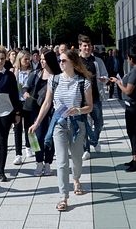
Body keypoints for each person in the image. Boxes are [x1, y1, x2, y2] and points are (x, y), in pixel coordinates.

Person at [29, 50, 94, 212]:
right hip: (59, 124)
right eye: (60, 60)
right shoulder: (54, 80)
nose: (60, 63)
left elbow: (90, 107)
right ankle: (64, 197)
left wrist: (77, 110)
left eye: (64, 60)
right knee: (62, 162)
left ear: (73, 62)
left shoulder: (83, 82)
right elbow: (46, 103)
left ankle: (77, 179)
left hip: (77, 125)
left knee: (77, 159)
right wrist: (37, 123)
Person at [109, 44, 136, 172]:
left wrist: (118, 83)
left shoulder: (135, 71)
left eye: (128, 57)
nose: (127, 59)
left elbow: (128, 91)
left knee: (133, 132)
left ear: (131, 58)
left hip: (133, 105)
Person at [0, 45, 22, 182]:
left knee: (3, 140)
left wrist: (17, 112)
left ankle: (1, 170)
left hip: (6, 113)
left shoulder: (9, 75)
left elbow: (15, 95)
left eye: (2, 59)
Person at [23, 50, 60, 176]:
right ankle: (39, 162)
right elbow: (25, 86)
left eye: (44, 59)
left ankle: (48, 162)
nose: (42, 61)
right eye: (41, 59)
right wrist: (26, 92)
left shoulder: (57, 76)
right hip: (37, 109)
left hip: (52, 111)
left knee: (49, 138)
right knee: (37, 137)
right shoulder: (36, 73)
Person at [78, 34, 106, 160]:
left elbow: (105, 75)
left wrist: (104, 79)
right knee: (83, 125)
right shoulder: (76, 62)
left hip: (95, 97)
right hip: (80, 99)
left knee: (99, 122)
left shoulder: (97, 61)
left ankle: (94, 140)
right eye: (85, 46)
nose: (87, 48)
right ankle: (86, 149)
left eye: (89, 45)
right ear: (80, 47)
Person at [12, 50, 34, 164]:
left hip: (28, 102)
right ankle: (18, 153)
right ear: (19, 60)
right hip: (18, 103)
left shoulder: (32, 72)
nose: (27, 61)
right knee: (17, 128)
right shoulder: (15, 72)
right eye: (25, 59)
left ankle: (29, 146)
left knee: (29, 126)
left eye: (28, 59)